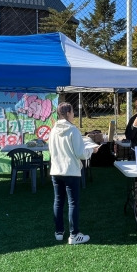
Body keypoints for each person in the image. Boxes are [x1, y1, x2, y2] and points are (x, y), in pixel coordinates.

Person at [49, 102, 97, 245]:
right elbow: (81, 153)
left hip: (56, 170)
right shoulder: (73, 130)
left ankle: (59, 232)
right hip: (70, 171)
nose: (74, 114)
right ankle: (74, 235)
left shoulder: (53, 130)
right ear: (68, 113)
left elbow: (51, 151)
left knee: (58, 202)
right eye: (73, 112)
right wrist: (92, 150)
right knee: (73, 203)